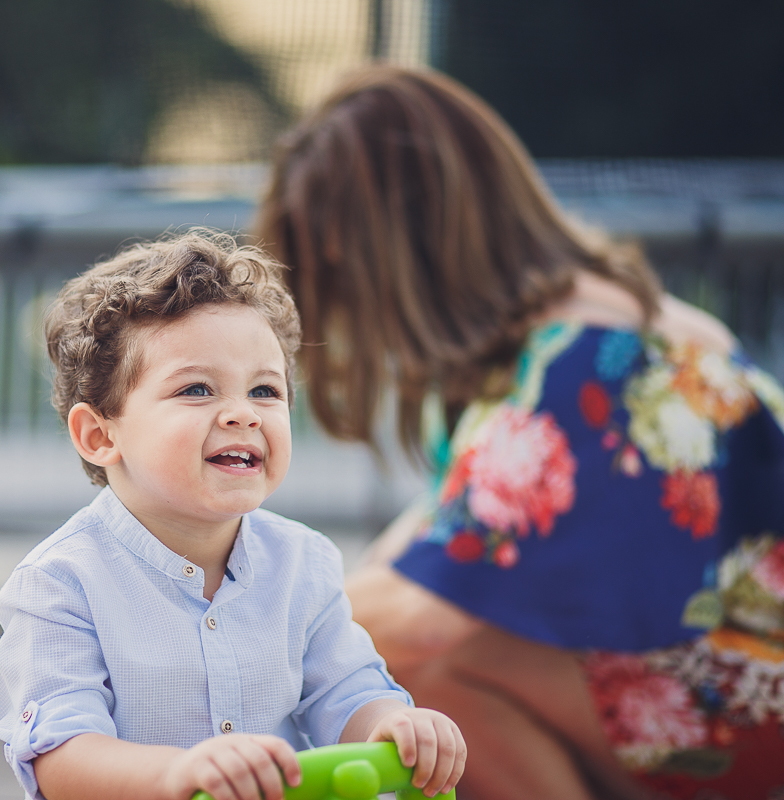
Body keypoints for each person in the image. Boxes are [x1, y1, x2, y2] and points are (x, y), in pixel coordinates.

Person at [258, 63, 784, 800]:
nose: (351, 319)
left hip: (753, 698)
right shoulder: (601, 328)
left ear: (395, 257)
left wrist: (215, 632)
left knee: (422, 666)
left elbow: (419, 616)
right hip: (737, 683)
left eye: (343, 284)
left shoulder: (586, 360)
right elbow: (413, 565)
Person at [0, 231, 467, 800]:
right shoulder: (59, 585)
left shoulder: (303, 563)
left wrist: (394, 725)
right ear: (99, 435)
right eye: (197, 389)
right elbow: (62, 756)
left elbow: (347, 692)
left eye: (265, 391)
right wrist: (179, 775)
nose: (243, 414)